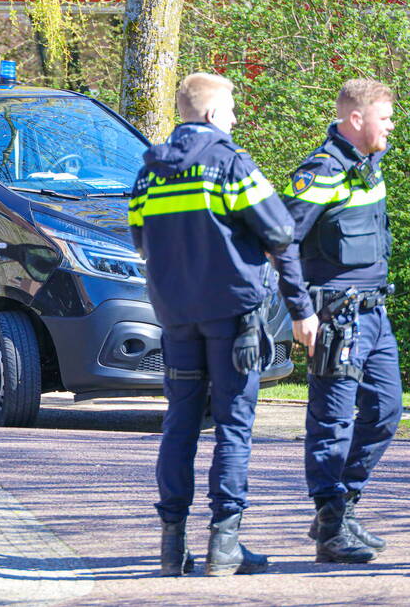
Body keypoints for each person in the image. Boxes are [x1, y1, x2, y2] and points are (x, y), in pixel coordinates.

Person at [129, 72, 294, 577]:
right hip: (233, 317)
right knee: (233, 428)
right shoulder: (230, 163)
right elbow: (281, 229)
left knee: (179, 424)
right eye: (232, 111)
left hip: (176, 316)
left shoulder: (149, 173)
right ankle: (225, 545)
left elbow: (140, 239)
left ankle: (172, 545)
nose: (236, 120)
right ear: (210, 115)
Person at [275, 78, 400, 564]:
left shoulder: (369, 169)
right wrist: (301, 310)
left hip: (375, 313)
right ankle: (330, 524)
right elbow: (280, 242)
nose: (391, 126)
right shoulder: (320, 172)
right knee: (331, 422)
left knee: (386, 411)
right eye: (385, 117)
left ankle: (342, 505)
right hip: (336, 315)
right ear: (356, 119)